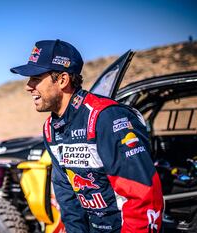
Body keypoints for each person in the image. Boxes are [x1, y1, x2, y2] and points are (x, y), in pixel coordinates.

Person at [10, 40, 164, 232]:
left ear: (63, 80)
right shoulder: (51, 127)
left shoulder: (106, 117)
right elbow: (67, 195)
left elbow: (143, 195)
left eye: (36, 78)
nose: (28, 86)